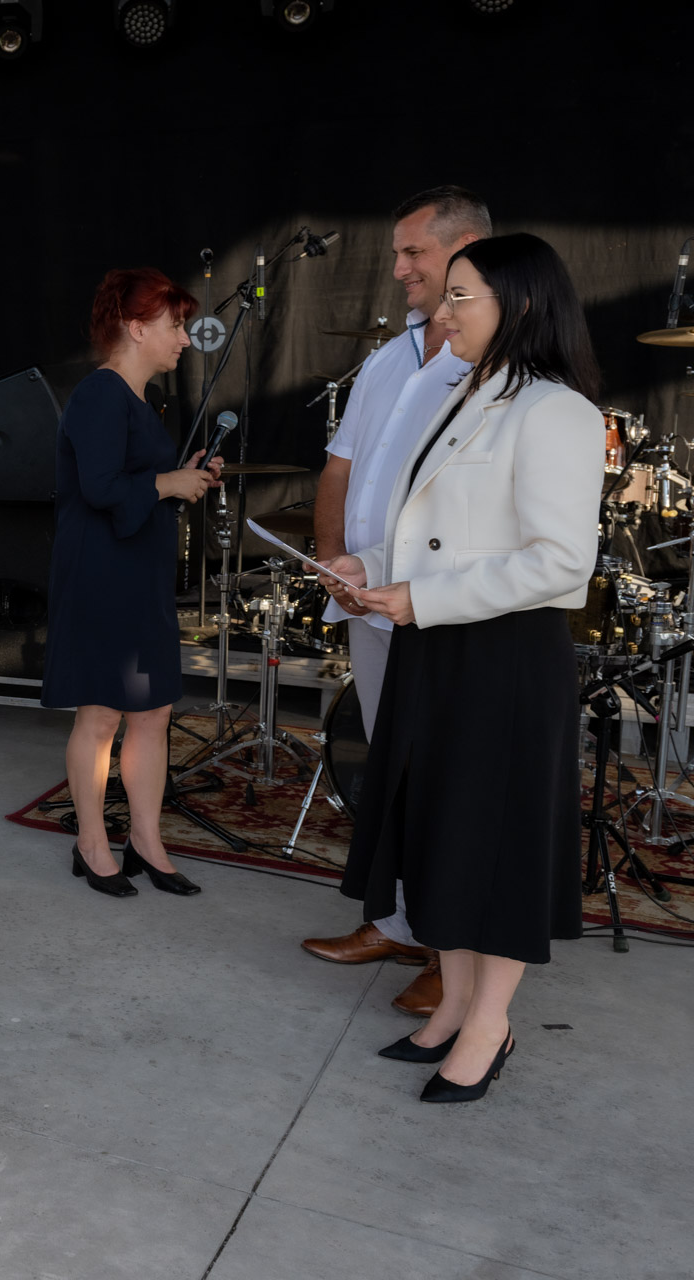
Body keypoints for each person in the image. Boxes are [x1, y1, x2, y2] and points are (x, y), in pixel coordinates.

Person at [325, 234, 601, 1103]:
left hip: (503, 657)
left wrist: (424, 595)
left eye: (459, 296)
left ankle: (489, 1024)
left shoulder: (556, 410)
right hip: (435, 646)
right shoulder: (462, 393)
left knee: (494, 841)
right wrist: (371, 565)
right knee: (435, 829)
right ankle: (451, 1005)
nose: (441, 313)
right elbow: (434, 533)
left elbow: (562, 563)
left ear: (519, 304)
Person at [302, 187, 493, 1017]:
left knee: (446, 778)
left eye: (413, 252)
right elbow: (341, 466)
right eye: (397, 254)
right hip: (369, 597)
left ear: (467, 248)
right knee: (393, 766)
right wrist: (330, 559)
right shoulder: (389, 357)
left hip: (440, 606)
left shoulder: (496, 360)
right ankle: (401, 922)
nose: (399, 270)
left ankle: (456, 955)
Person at [43, 269, 221, 899]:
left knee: (153, 710)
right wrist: (169, 483)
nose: (185, 339)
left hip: (138, 574)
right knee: (102, 714)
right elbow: (100, 488)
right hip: (102, 576)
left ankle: (145, 842)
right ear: (137, 327)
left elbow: (134, 481)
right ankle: (91, 843)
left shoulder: (140, 399)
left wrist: (183, 474)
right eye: (176, 325)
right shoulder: (101, 393)